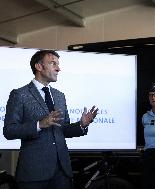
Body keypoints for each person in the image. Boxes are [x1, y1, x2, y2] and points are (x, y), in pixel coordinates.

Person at [3, 50, 98, 189]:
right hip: (34, 173)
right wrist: (39, 124)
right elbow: (9, 131)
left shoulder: (60, 96)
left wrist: (81, 124)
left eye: (58, 64)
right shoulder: (20, 94)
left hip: (62, 172)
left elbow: (63, 129)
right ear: (39, 67)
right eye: (53, 63)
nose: (58, 68)